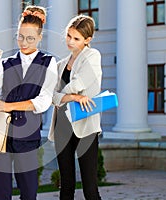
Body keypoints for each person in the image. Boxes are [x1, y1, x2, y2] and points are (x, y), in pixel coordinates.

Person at [0, 5, 57, 200]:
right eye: (20, 36)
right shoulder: (5, 63)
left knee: (29, 193)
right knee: (2, 193)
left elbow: (43, 101)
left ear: (39, 37)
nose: (24, 42)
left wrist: (8, 106)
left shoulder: (48, 62)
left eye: (30, 38)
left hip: (28, 136)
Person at [48, 14, 102, 200]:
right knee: (66, 184)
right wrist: (71, 97)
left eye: (76, 38)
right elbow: (51, 96)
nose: (70, 41)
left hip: (85, 125)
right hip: (62, 125)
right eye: (69, 36)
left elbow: (79, 83)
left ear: (88, 40)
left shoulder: (92, 56)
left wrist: (63, 95)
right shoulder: (60, 64)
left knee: (90, 187)